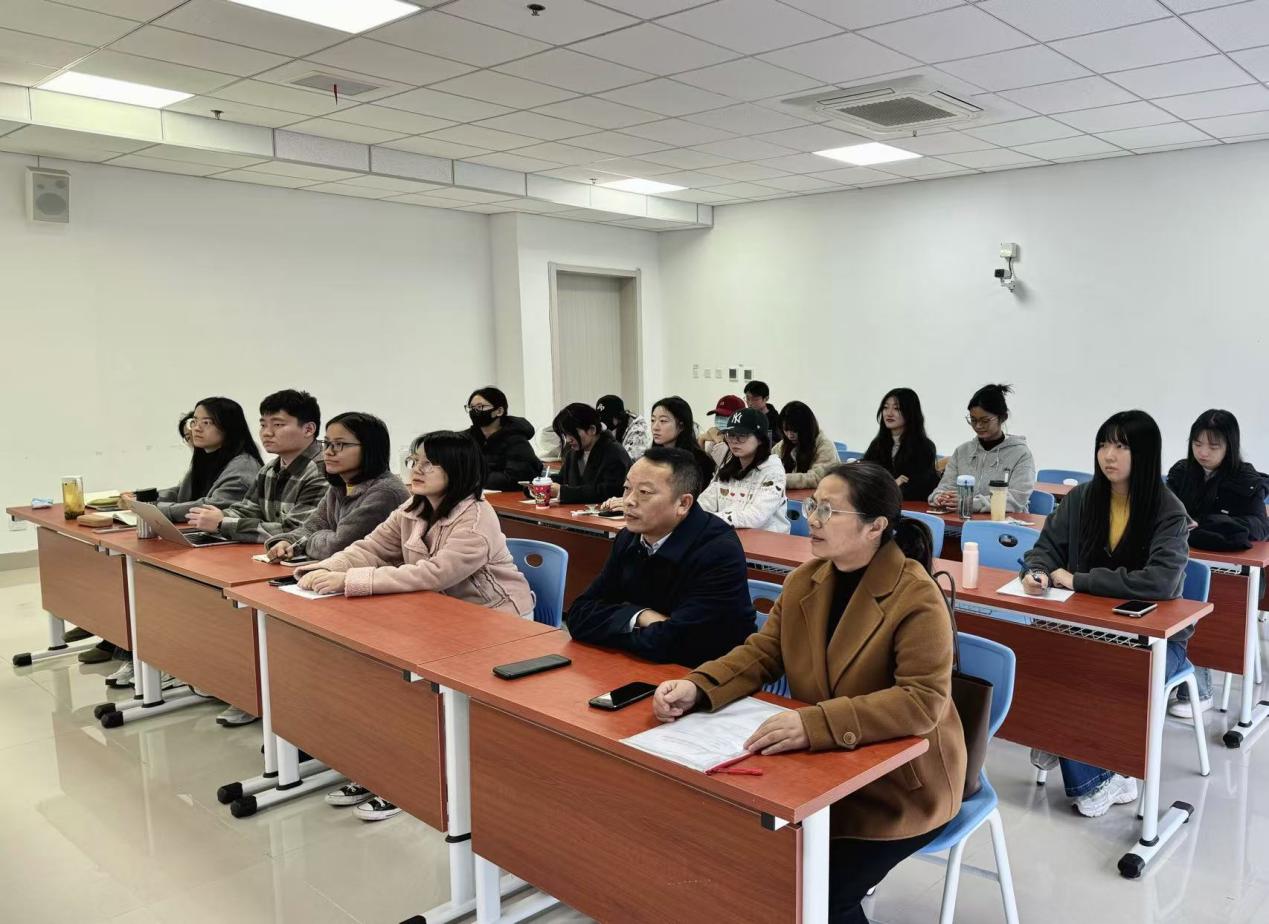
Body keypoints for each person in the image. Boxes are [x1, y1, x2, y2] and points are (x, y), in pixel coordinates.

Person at [652, 462, 965, 924]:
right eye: (812, 506)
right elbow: (763, 652)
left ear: (875, 526)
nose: (812, 519)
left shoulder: (916, 595)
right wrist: (699, 686)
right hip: (825, 768)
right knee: (746, 859)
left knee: (814, 892)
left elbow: (921, 702)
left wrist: (813, 723)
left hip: (901, 786)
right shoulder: (807, 579)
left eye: (828, 511)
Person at [297, 430, 534, 821]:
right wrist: (327, 567)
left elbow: (435, 573)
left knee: (410, 688)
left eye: (428, 463)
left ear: (457, 469)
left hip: (495, 623)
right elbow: (371, 547)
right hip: (436, 615)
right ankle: (384, 769)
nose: (416, 470)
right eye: (414, 461)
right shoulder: (413, 507)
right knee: (381, 676)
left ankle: (409, 780)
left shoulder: (476, 516)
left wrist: (352, 580)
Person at [1022, 410, 1190, 817]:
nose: (1108, 455)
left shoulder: (1167, 510)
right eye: (1103, 444)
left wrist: (1080, 580)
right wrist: (1038, 572)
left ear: (1144, 453)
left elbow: (1161, 581)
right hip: (1086, 627)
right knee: (1041, 660)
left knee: (1089, 675)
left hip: (1153, 640)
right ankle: (1081, 757)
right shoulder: (1082, 498)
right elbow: (1046, 548)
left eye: (1121, 446)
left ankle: (1089, 767)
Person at [186, 389, 329, 727]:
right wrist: (221, 517)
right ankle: (235, 681)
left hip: (302, 566)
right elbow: (246, 509)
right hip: (264, 560)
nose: (267, 432)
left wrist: (224, 523)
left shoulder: (322, 470)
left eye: (278, 425)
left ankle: (255, 693)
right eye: (263, 424)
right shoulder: (272, 468)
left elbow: (294, 530)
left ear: (309, 429)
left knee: (247, 611)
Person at [102, 398, 264, 683]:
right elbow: (181, 492)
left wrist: (151, 508)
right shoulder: (207, 455)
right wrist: (143, 497)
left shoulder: (242, 466)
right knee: (143, 578)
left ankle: (157, 657)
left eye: (206, 422)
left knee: (159, 584)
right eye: (195, 421)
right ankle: (132, 648)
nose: (196, 428)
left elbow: (206, 505)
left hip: (227, 547)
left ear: (228, 427)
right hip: (204, 540)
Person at [566, 447, 757, 665]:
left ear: (683, 504)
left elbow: (679, 643)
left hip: (707, 675)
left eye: (644, 492)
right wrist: (640, 616)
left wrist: (613, 624)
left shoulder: (718, 551)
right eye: (627, 488)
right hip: (643, 666)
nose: (629, 501)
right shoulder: (628, 538)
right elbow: (578, 614)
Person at [1165, 409, 1269, 717]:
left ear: (1229, 446)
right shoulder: (1182, 472)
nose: (1203, 452)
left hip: (1237, 573)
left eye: (1213, 446)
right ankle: (1169, 675)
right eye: (1197, 444)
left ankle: (1200, 689)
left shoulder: (1246, 480)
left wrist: (1212, 523)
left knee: (1204, 601)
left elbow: (1259, 527)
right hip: (1185, 563)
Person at [265, 412, 408, 563]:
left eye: (339, 444)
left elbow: (338, 547)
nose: (328, 452)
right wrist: (287, 542)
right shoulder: (340, 485)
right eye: (327, 443)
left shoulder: (385, 493)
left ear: (369, 448)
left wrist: (306, 542)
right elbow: (311, 527)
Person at [929, 383, 1035, 514]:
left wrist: (970, 503)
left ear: (1003, 418)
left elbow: (1017, 499)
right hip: (963, 521)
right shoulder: (962, 451)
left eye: (985, 421)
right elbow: (944, 488)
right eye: (973, 420)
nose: (978, 426)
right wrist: (941, 498)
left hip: (1004, 523)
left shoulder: (1021, 454)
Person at [698, 408, 790, 534]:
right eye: (730, 435)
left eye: (742, 435)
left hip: (767, 540)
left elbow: (756, 517)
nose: (734, 441)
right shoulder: (727, 467)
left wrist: (709, 520)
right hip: (730, 536)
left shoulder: (773, 471)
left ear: (760, 439)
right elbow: (704, 503)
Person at [862, 388, 940, 502]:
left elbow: (918, 488)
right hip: (881, 505)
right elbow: (865, 478)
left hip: (912, 508)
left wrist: (886, 487)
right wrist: (892, 485)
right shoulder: (877, 444)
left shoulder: (924, 447)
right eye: (885, 407)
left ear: (910, 412)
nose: (889, 413)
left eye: (897, 408)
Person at [549, 403, 631, 505]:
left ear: (592, 429)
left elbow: (609, 491)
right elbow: (562, 478)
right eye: (565, 434)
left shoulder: (614, 452)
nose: (568, 439)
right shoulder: (573, 452)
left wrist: (563, 492)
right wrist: (545, 483)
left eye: (572, 433)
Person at [462, 386, 542, 491]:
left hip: (509, 496)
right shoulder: (467, 439)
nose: (474, 411)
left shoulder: (516, 440)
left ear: (499, 411)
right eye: (471, 407)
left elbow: (516, 478)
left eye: (480, 407)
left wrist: (474, 479)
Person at [771, 400, 839, 490]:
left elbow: (817, 478)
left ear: (806, 428)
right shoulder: (781, 446)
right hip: (792, 496)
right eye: (786, 430)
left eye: (795, 430)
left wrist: (781, 479)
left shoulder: (824, 445)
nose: (790, 435)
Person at [596, 394, 651, 460]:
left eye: (607, 419)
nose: (604, 423)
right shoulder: (620, 425)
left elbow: (628, 460)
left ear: (618, 416)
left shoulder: (638, 432)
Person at [698, 394, 745, 467]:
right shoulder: (715, 439)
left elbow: (728, 468)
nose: (720, 419)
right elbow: (705, 468)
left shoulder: (743, 442)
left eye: (725, 416)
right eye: (718, 415)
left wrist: (718, 440)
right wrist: (701, 440)